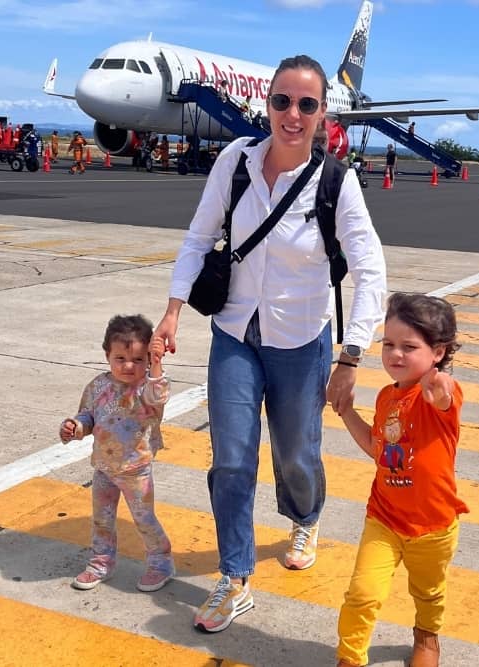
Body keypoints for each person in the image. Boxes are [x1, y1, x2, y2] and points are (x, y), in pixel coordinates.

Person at [153, 54, 387, 633]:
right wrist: (172, 310)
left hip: (302, 339)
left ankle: (305, 516)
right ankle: (234, 577)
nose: (292, 114)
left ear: (323, 112)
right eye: (282, 101)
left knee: (296, 453)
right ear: (268, 103)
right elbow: (198, 237)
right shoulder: (235, 162)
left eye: (307, 104)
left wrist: (352, 353)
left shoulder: (336, 182)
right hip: (235, 332)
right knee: (231, 459)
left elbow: (370, 269)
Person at [334, 293, 466, 667]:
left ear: (437, 352)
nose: (395, 354)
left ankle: (427, 636)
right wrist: (347, 412)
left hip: (432, 526)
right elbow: (379, 449)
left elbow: (446, 399)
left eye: (409, 347)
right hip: (384, 518)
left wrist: (441, 391)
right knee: (362, 593)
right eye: (388, 344)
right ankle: (350, 657)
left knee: (428, 592)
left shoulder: (438, 394)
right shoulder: (384, 398)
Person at [59, 314, 175, 592]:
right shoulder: (98, 386)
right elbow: (88, 416)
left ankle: (161, 563)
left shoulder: (147, 387)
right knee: (102, 520)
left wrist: (157, 364)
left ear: (148, 360)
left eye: (138, 359)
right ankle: (101, 562)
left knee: (144, 519)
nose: (128, 366)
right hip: (103, 467)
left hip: (136, 470)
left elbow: (158, 396)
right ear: (107, 356)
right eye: (120, 358)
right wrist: (76, 427)